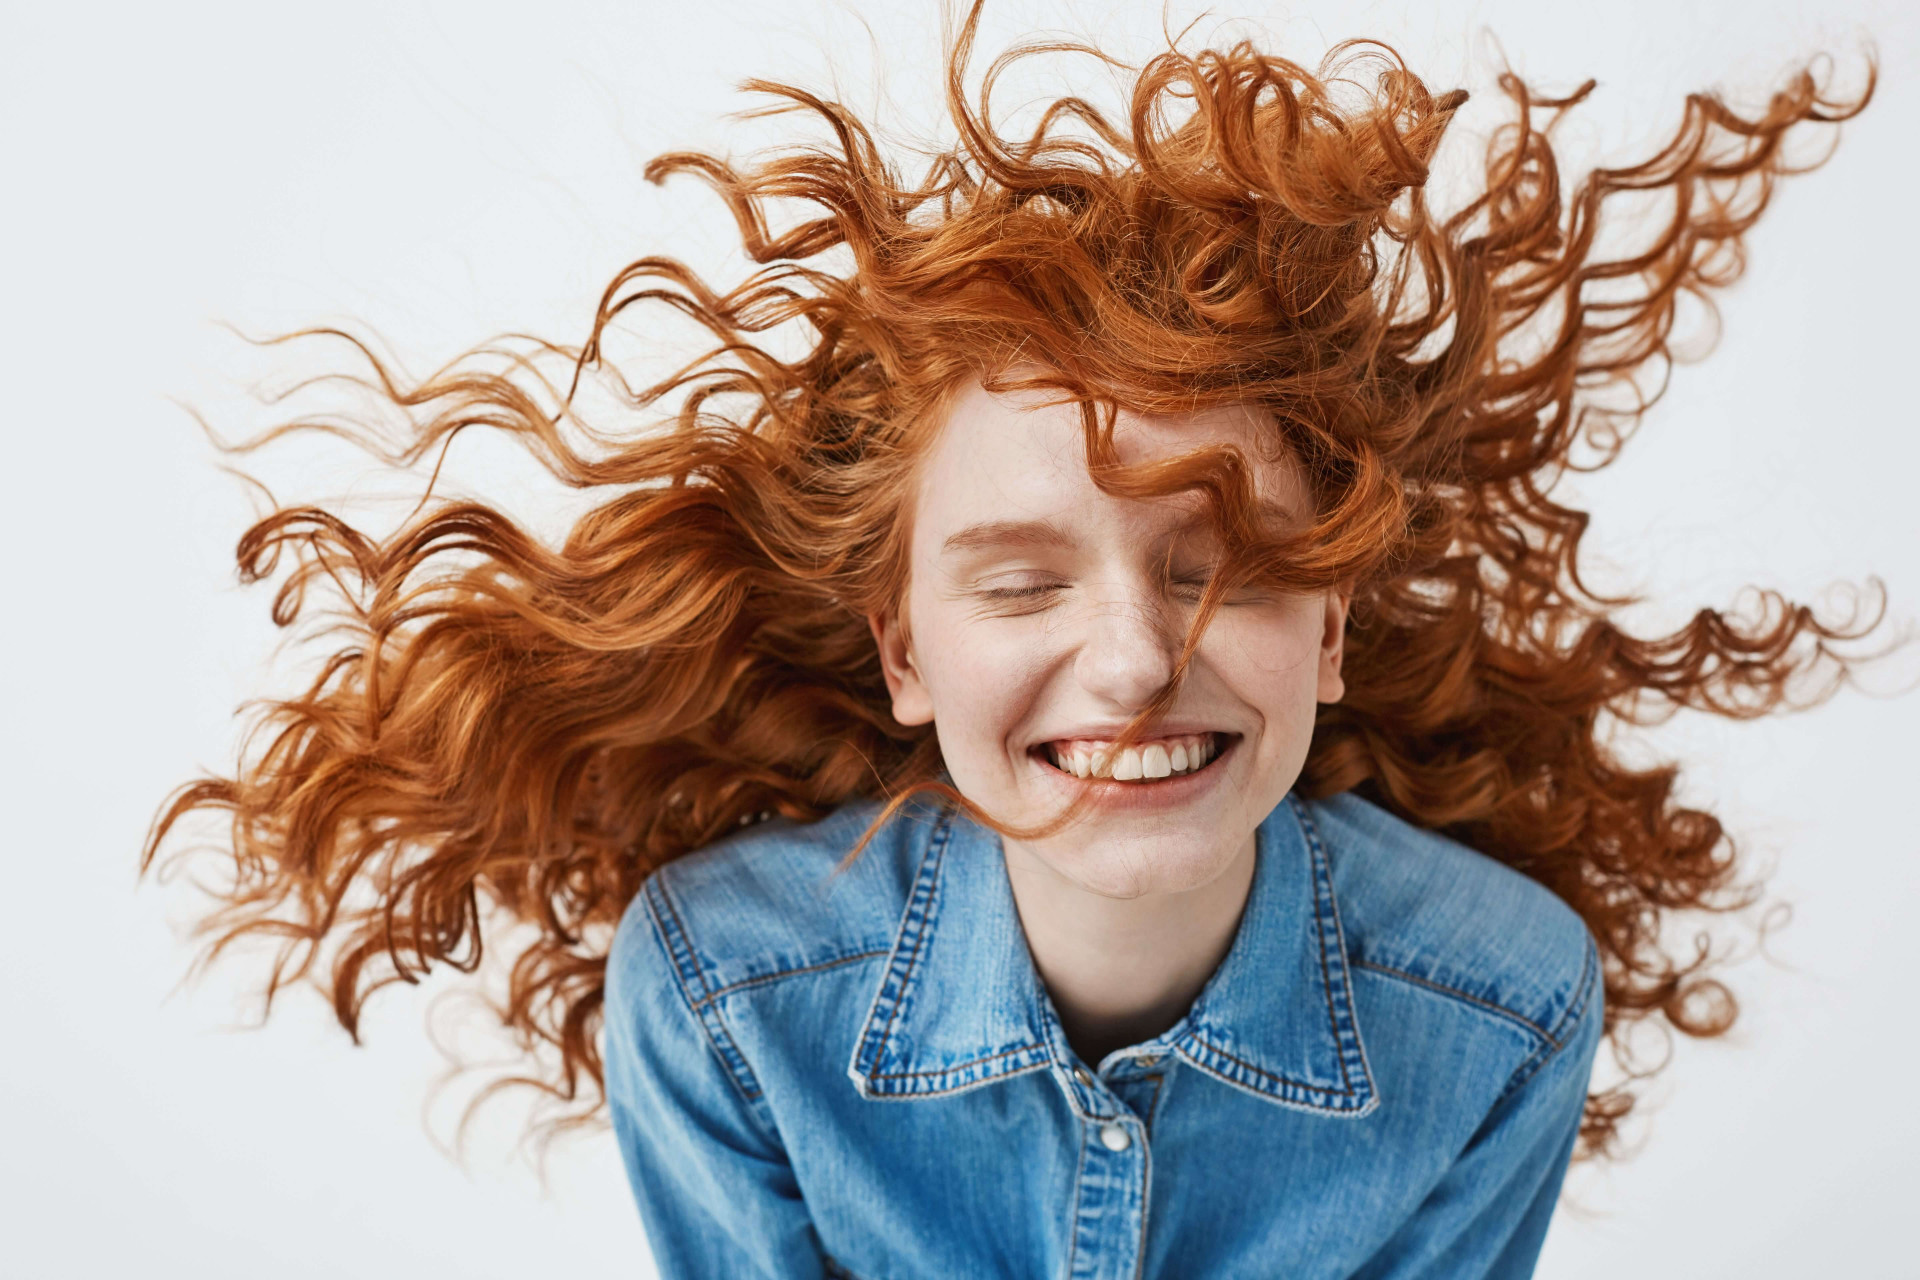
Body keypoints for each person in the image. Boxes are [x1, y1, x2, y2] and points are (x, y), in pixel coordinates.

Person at [141, 3, 1881, 1275]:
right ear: (903, 651)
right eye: (1023, 581)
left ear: (1332, 623)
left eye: (1213, 567)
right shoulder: (721, 995)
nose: (1131, 660)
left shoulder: (1501, 1004)